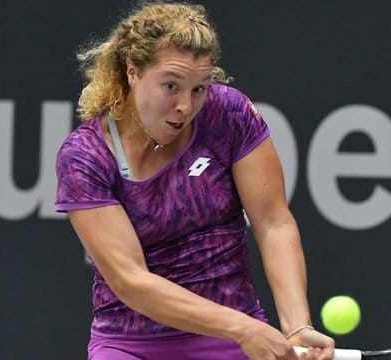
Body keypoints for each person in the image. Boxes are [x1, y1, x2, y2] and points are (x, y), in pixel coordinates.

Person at [55, 2, 335, 359]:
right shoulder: (85, 156)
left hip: (235, 340)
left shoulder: (229, 114)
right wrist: (241, 327)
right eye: (171, 85)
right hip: (132, 345)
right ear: (132, 72)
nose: (185, 106)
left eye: (199, 89)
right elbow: (131, 281)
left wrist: (298, 326)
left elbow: (273, 223)